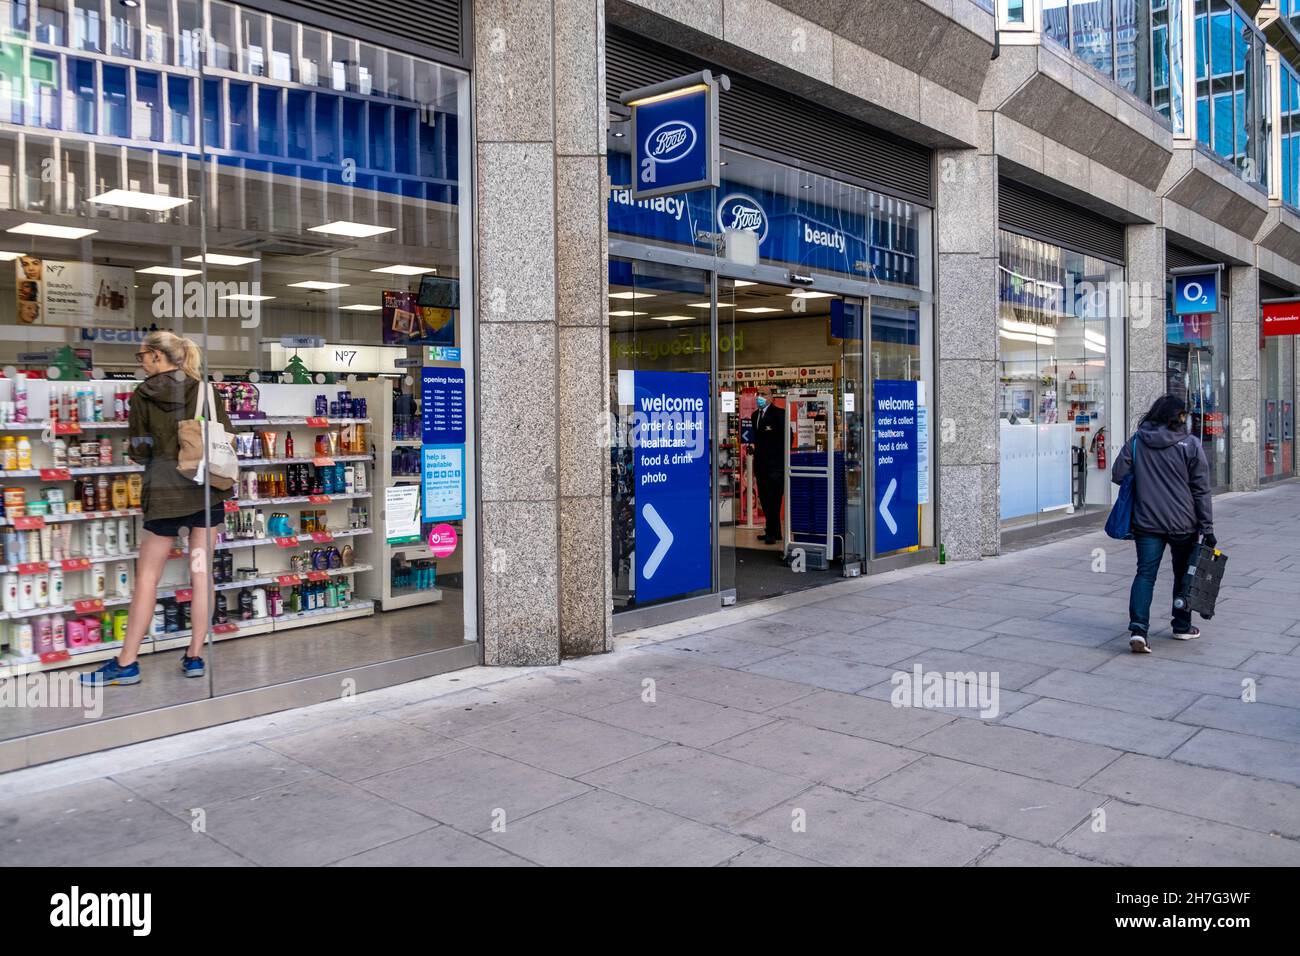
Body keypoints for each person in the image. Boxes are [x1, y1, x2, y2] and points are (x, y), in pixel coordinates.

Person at [82, 332, 234, 686]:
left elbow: (138, 448)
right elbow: (225, 435)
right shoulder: (206, 390)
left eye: (141, 357)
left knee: (148, 578)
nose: (140, 363)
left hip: (164, 496)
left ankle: (127, 662)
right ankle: (195, 656)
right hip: (205, 495)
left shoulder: (144, 394)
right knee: (201, 574)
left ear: (155, 357)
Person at [1111, 394, 1215, 654]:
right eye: (1184, 414)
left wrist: (1144, 474)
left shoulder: (1137, 442)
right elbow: (1201, 490)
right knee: (1183, 575)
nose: (1186, 418)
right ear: (1178, 416)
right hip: (1184, 523)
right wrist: (1208, 527)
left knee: (1145, 574)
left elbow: (1118, 474)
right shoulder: (1190, 444)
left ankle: (1138, 629)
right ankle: (1181, 626)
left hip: (1147, 522)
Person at [747, 394, 786, 545]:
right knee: (764, 498)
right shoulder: (755, 415)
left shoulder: (779, 414)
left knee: (774, 499)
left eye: (763, 394)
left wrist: (781, 457)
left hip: (776, 465)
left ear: (770, 397)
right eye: (758, 394)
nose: (759, 397)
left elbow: (787, 437)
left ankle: (770, 532)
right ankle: (775, 532)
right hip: (761, 464)